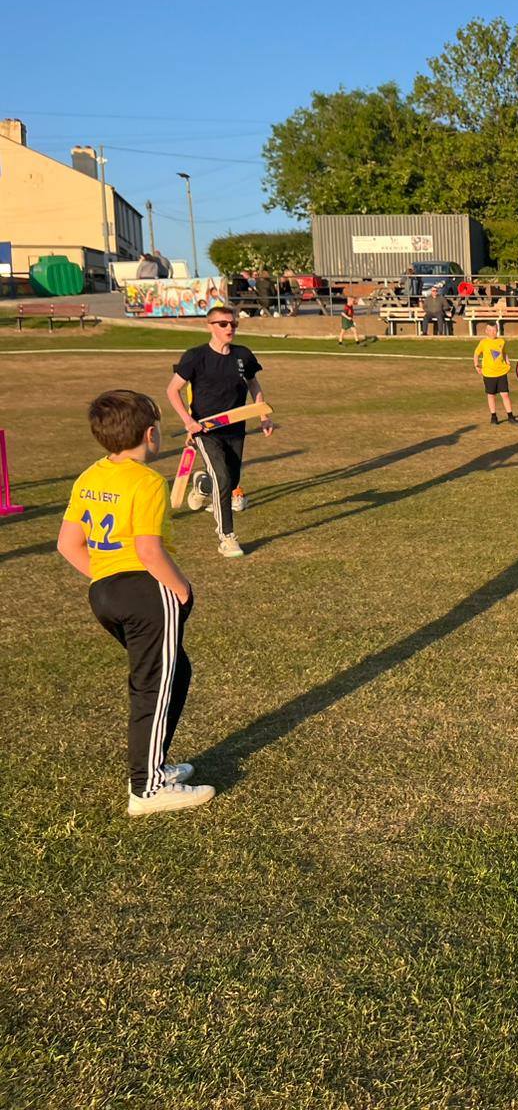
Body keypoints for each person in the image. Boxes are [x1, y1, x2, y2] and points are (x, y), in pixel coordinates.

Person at [57, 390, 213, 817]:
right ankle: (147, 789)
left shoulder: (90, 476)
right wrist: (182, 590)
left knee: (174, 672)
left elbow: (68, 544)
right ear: (149, 434)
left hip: (104, 592)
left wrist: (109, 579)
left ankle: (154, 766)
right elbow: (148, 551)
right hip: (146, 593)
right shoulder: (147, 482)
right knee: (153, 686)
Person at [166, 305, 273, 559]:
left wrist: (263, 415)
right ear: (210, 326)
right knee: (224, 480)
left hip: (236, 428)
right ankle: (227, 537)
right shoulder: (195, 357)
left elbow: (253, 384)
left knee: (231, 480)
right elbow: (172, 390)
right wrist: (189, 422)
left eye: (233, 324)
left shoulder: (243, 355)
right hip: (206, 430)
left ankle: (203, 484)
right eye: (223, 324)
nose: (229, 328)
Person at [473, 323, 515, 425]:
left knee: (505, 394)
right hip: (489, 374)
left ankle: (510, 417)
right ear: (486, 331)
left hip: (501, 373)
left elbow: (503, 353)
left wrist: (508, 363)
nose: (492, 332)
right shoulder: (483, 342)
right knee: (491, 395)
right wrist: (476, 365)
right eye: (490, 330)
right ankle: (493, 416)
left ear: (497, 330)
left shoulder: (501, 341)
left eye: (494, 330)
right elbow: (476, 353)